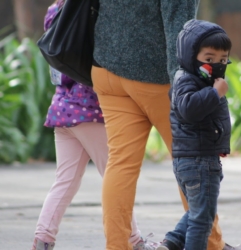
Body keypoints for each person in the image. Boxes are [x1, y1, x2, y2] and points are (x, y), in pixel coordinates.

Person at [92, 1, 241, 249]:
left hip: (106, 69)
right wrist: (188, 84)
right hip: (154, 78)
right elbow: (181, 29)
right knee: (193, 156)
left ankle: (118, 245)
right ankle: (210, 244)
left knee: (121, 163)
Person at [31, 0, 159, 249]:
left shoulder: (56, 12)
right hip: (89, 111)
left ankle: (43, 239)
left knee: (65, 181)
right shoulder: (90, 13)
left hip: (63, 109)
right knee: (117, 176)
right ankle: (133, 240)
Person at [156, 19, 241, 250]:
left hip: (196, 157)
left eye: (223, 60)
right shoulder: (188, 79)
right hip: (198, 160)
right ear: (190, 55)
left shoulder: (195, 79)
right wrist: (215, 93)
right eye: (209, 59)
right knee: (202, 219)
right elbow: (189, 110)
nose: (216, 65)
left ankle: (171, 242)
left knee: (200, 210)